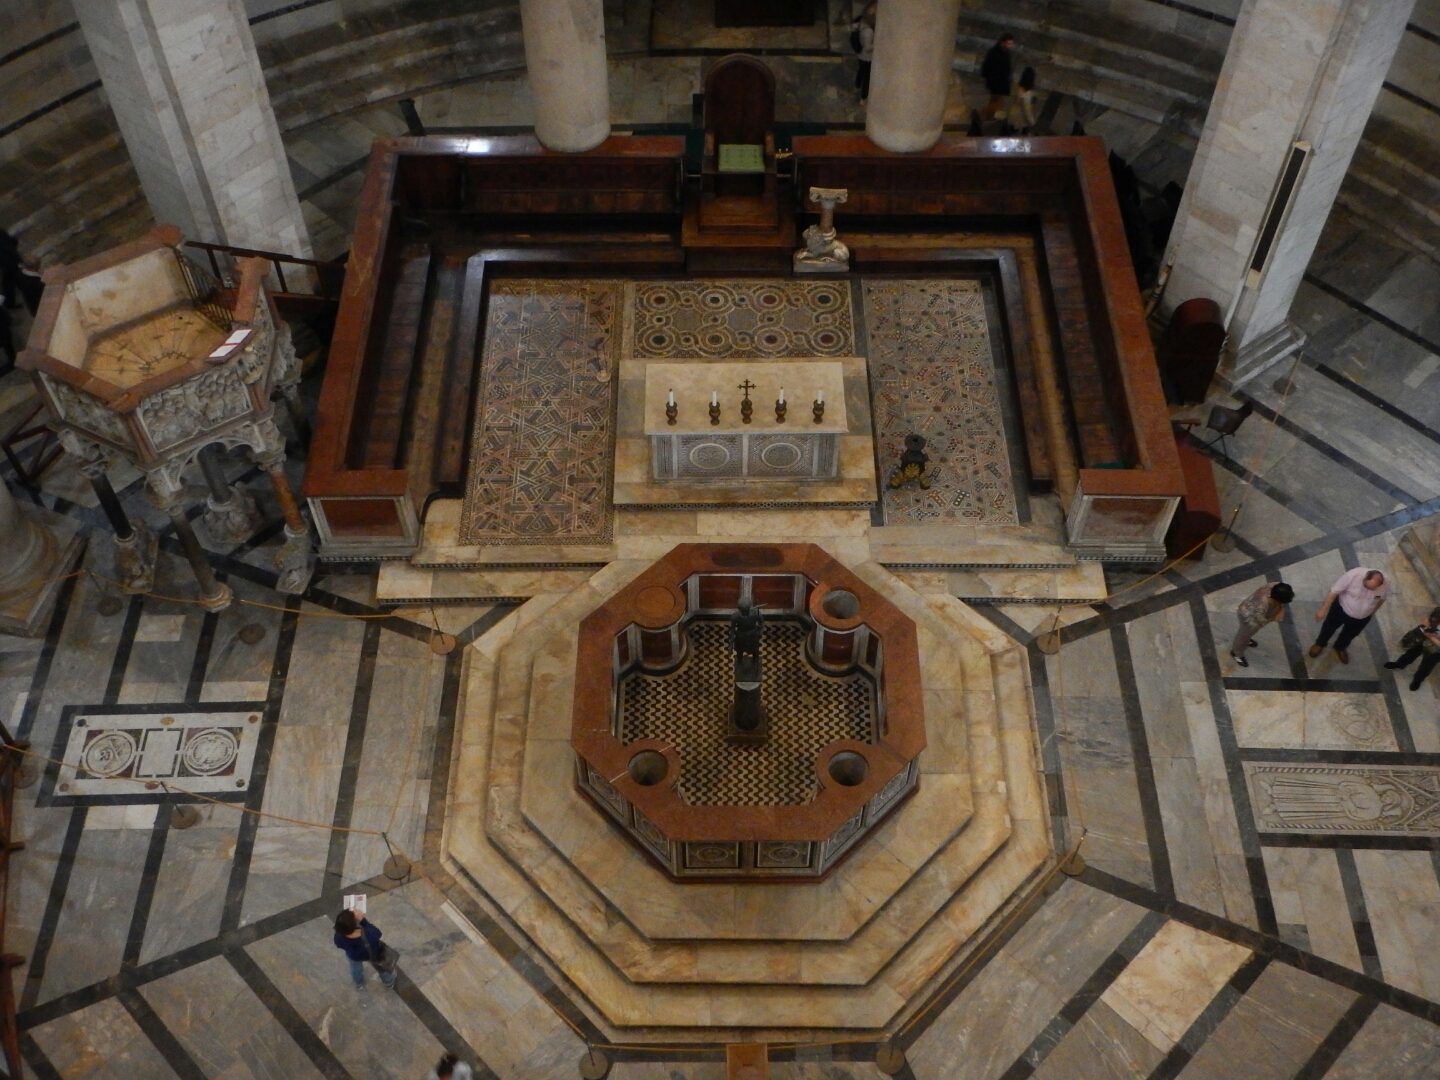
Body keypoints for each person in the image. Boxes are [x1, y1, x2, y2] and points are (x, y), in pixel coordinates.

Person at [1308, 567, 1389, 664]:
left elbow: (1381, 599)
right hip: (1341, 609)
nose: (1371, 590)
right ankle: (1320, 644)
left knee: (1350, 634)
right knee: (1329, 627)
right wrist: (1323, 609)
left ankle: (1340, 647)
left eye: (1374, 588)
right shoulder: (1353, 575)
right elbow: (1334, 591)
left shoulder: (1386, 584)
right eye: (1368, 587)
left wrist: (1372, 613)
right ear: (1365, 578)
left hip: (1362, 617)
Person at [1229, 581, 1294, 667]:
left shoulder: (1274, 585)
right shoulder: (1261, 606)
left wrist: (1279, 608)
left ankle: (1247, 639)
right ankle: (1236, 653)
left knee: (1248, 634)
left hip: (1252, 611)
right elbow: (1260, 621)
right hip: (1248, 619)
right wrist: (1274, 617)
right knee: (1243, 635)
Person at [333, 908, 396, 990]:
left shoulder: (338, 937)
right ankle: (389, 982)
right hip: (372, 954)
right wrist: (363, 920)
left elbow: (339, 945)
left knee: (355, 969)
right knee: (381, 968)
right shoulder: (368, 934)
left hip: (353, 956)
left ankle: (359, 983)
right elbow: (378, 933)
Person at [1384, 607, 1440, 690]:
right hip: (1422, 640)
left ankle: (1417, 680)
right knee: (1411, 653)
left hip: (1435, 650)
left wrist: (1430, 636)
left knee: (1426, 666)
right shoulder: (1438, 612)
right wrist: (1427, 627)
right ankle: (1399, 664)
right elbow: (1426, 621)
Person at [980, 33, 1015, 121]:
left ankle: (989, 116)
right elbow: (989, 67)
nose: (1011, 45)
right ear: (1003, 43)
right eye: (1009, 43)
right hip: (996, 83)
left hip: (1000, 82)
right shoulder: (995, 53)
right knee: (996, 101)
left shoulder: (1004, 52)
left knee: (995, 101)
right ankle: (984, 115)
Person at [852, 4, 876, 104]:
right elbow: (868, 48)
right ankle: (863, 98)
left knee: (860, 71)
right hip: (867, 58)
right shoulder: (869, 32)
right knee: (867, 78)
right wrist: (876, 44)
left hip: (860, 55)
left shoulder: (860, 23)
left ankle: (856, 87)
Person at [1015, 66, 1039, 134]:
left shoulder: (1019, 89)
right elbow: (1027, 111)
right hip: (1022, 121)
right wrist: (1033, 123)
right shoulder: (1027, 95)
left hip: (1016, 115)